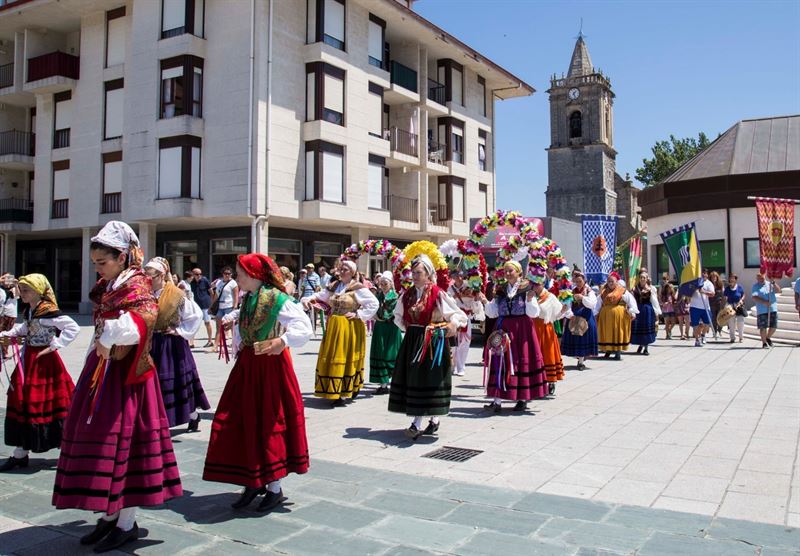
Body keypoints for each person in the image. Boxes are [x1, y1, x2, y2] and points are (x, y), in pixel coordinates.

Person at [53, 221, 181, 553]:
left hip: (127, 378)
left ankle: (125, 523)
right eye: (95, 262)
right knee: (105, 447)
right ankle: (110, 517)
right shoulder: (114, 284)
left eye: (102, 262)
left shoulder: (136, 284)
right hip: (105, 370)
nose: (98, 268)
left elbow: (141, 323)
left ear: (122, 257)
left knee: (126, 447)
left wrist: (108, 334)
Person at [203, 253, 312, 513]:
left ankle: (273, 488)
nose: (237, 278)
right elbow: (246, 321)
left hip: (270, 368)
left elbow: (303, 326)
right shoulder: (250, 297)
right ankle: (252, 480)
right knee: (240, 422)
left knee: (266, 423)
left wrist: (281, 341)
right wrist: (235, 327)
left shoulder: (277, 298)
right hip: (249, 366)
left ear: (254, 276)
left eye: (240, 274)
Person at [0, 274, 79, 472]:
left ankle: (67, 450)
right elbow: (25, 328)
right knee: (23, 400)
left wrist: (55, 345)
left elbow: (72, 327)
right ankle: (21, 453)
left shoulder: (49, 311)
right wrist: (8, 334)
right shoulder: (31, 310)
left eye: (26, 290)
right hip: (30, 360)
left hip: (44, 363)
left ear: (38, 291)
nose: (22, 293)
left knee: (49, 402)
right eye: (21, 289)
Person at [389, 255, 466, 438]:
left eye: (419, 273)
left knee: (427, 380)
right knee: (415, 379)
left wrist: (452, 324)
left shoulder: (437, 293)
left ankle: (416, 423)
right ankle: (432, 420)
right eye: (413, 272)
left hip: (431, 342)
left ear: (428, 274)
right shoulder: (407, 295)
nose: (414, 276)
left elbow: (457, 313)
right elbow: (398, 317)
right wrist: (411, 332)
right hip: (413, 341)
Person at [144, 257, 210, 432]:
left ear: (162, 275)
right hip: (150, 344)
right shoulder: (144, 294)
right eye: (146, 276)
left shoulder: (176, 294)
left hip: (170, 345)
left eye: (152, 276)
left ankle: (192, 415)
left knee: (173, 382)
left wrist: (179, 331)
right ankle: (156, 420)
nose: (148, 280)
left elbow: (195, 315)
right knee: (152, 384)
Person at [302, 260, 378, 407]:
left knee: (345, 357)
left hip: (349, 327)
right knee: (331, 357)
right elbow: (321, 295)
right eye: (341, 269)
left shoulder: (358, 288)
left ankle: (344, 391)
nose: (341, 272)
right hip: (334, 326)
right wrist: (309, 298)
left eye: (345, 270)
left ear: (352, 272)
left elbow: (373, 303)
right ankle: (334, 389)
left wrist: (358, 314)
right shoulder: (335, 285)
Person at [481, 261, 547, 413]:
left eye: (511, 271)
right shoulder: (501, 289)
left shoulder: (527, 289)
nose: (508, 273)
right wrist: (484, 300)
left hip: (521, 330)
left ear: (519, 273)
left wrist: (530, 300)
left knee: (519, 360)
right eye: (506, 271)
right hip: (503, 328)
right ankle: (497, 400)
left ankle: (522, 398)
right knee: (500, 361)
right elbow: (493, 312)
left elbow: (534, 313)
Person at [531, 279, 566, 396]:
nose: (535, 287)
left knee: (547, 354)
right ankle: (536, 382)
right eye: (533, 284)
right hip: (532, 328)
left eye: (537, 284)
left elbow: (557, 315)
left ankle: (551, 381)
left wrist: (563, 310)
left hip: (545, 329)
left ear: (543, 284)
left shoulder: (550, 296)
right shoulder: (529, 296)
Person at [370, 271, 403, 394]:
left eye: (385, 283)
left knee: (391, 353)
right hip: (380, 327)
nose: (383, 285)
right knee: (380, 352)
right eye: (381, 283)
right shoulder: (378, 296)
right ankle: (383, 384)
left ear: (391, 284)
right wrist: (374, 316)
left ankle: (395, 382)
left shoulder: (395, 296)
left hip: (392, 328)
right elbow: (372, 307)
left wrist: (382, 317)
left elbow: (395, 312)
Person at [594, 272, 638, 360]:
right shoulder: (604, 292)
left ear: (617, 282)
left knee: (617, 333)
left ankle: (618, 352)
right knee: (607, 333)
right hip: (605, 318)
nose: (610, 283)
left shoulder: (623, 291)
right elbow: (598, 304)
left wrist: (632, 312)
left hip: (619, 317)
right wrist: (595, 313)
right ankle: (608, 350)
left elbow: (631, 302)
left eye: (612, 281)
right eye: (609, 281)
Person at [447, 270, 483, 377]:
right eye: (456, 275)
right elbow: (448, 302)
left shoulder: (470, 286)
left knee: (464, 343)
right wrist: (456, 296)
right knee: (453, 344)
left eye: (460, 275)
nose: (458, 277)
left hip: (466, 317)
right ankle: (453, 365)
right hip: (454, 317)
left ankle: (461, 367)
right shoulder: (450, 288)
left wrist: (475, 298)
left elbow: (475, 305)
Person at [560, 270, 598, 370]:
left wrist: (582, 298)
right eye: (576, 281)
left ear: (584, 281)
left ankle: (581, 361)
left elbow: (592, 304)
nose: (578, 283)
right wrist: (569, 314)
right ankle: (580, 359)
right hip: (574, 318)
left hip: (586, 317)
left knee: (583, 339)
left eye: (580, 281)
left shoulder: (589, 291)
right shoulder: (571, 291)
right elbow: (567, 304)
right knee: (577, 339)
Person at [630, 271, 661, 356]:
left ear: (647, 279)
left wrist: (657, 313)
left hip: (647, 310)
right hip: (638, 310)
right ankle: (640, 344)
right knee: (639, 328)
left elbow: (654, 301)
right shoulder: (634, 288)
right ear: (639, 279)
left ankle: (646, 348)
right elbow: (632, 300)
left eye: (644, 277)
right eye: (641, 277)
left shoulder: (650, 289)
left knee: (646, 328)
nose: (642, 279)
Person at [211, 267, 239, 352]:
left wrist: (234, 307)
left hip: (229, 306)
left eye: (229, 274)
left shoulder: (233, 283)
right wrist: (211, 306)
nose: (227, 275)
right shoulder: (219, 282)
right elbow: (216, 295)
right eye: (225, 273)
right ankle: (215, 346)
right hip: (220, 307)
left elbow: (236, 295)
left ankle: (236, 345)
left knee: (231, 327)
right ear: (222, 274)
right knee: (218, 327)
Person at [751, 272, 778, 348]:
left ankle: (768, 337)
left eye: (762, 277)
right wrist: (764, 302)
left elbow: (779, 291)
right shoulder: (755, 286)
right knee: (763, 327)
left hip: (772, 308)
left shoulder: (770, 284)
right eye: (759, 277)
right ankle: (764, 343)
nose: (761, 279)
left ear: (764, 276)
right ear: (757, 278)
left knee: (774, 326)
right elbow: (754, 297)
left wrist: (774, 283)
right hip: (762, 309)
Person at [689, 269, 714, 347]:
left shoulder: (709, 283)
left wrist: (703, 291)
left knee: (707, 323)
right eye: (702, 273)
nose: (704, 275)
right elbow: (688, 293)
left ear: (707, 275)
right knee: (695, 324)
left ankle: (703, 335)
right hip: (694, 307)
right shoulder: (694, 282)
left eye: (705, 273)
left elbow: (712, 294)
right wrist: (694, 289)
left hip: (705, 307)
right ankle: (697, 340)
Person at [190, 267, 214, 347]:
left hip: (205, 304)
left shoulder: (205, 281)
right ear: (193, 275)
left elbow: (211, 292)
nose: (199, 276)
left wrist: (212, 303)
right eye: (197, 274)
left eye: (200, 274)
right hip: (196, 305)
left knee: (207, 322)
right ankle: (191, 342)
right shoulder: (191, 282)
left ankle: (210, 341)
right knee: (193, 323)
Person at [0, 273, 19, 357]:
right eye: (5, 278)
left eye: (9, 277)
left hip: (11, 314)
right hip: (2, 314)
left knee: (7, 333)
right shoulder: (1, 289)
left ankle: (5, 351)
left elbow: (18, 295)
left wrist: (16, 284)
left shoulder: (14, 288)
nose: (7, 280)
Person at [299, 264, 321, 333]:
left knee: (314, 311)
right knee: (305, 311)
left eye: (309, 268)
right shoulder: (306, 277)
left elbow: (317, 286)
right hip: (306, 295)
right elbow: (304, 287)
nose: (308, 269)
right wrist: (301, 296)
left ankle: (313, 327)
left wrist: (315, 295)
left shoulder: (316, 276)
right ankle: (307, 327)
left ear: (313, 269)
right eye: (307, 268)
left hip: (312, 295)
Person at [724, 274, 746, 343]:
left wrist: (741, 300)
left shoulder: (739, 287)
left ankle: (741, 337)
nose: (732, 280)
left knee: (740, 322)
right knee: (731, 322)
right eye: (730, 278)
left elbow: (743, 295)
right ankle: (732, 337)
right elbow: (725, 297)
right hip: (730, 306)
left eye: (733, 278)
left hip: (738, 306)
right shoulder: (727, 288)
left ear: (736, 280)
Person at [708, 271, 726, 340]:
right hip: (712, 303)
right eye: (712, 277)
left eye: (715, 276)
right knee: (713, 318)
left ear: (717, 277)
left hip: (719, 303)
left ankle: (719, 331)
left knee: (720, 317)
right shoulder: (709, 285)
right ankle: (714, 331)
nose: (714, 278)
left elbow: (723, 294)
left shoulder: (720, 284)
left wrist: (724, 302)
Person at [659, 274, 677, 340]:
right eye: (669, 288)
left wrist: (674, 302)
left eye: (671, 288)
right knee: (667, 323)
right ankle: (667, 335)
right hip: (666, 310)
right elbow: (661, 302)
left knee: (673, 322)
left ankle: (669, 330)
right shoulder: (664, 294)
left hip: (671, 309)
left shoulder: (672, 294)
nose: (670, 289)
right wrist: (665, 303)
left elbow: (675, 301)